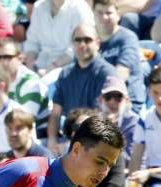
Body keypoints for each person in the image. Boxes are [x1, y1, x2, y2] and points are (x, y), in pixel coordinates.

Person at [47, 24, 117, 155]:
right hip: (70, 137)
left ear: (97, 43)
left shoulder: (107, 73)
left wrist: (70, 145)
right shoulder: (65, 74)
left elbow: (105, 117)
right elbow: (55, 113)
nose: (82, 44)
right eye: (77, 40)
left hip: (96, 141)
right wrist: (52, 140)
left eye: (87, 40)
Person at [94, 0, 145, 111]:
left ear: (118, 15)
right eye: (99, 13)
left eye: (108, 13)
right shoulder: (91, 39)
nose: (104, 17)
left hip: (126, 104)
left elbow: (121, 74)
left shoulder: (128, 38)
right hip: (100, 102)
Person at [0, 37, 50, 135]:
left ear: (20, 58)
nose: (2, 62)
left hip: (36, 138)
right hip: (4, 134)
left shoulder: (31, 83)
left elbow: (23, 122)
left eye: (7, 57)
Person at [22, 0, 95, 72]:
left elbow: (78, 49)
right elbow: (32, 42)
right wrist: (31, 69)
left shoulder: (80, 9)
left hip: (67, 70)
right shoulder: (39, 7)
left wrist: (51, 68)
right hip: (39, 67)